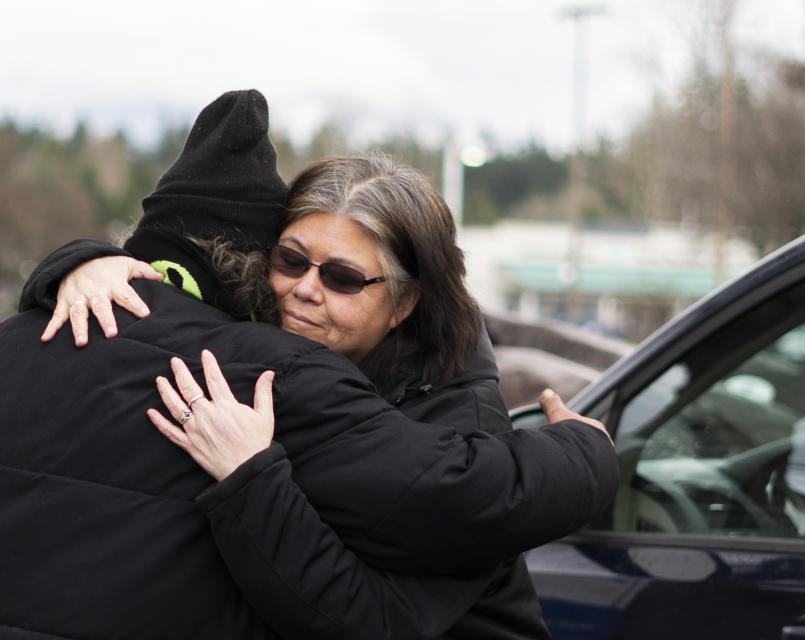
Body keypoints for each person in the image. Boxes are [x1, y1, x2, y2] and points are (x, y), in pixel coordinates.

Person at [9, 89, 617, 639]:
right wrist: (83, 261)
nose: (304, 289)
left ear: (405, 301)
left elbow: (375, 616)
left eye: (344, 278)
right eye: (291, 260)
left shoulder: (459, 419)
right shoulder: (265, 367)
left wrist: (583, 451)